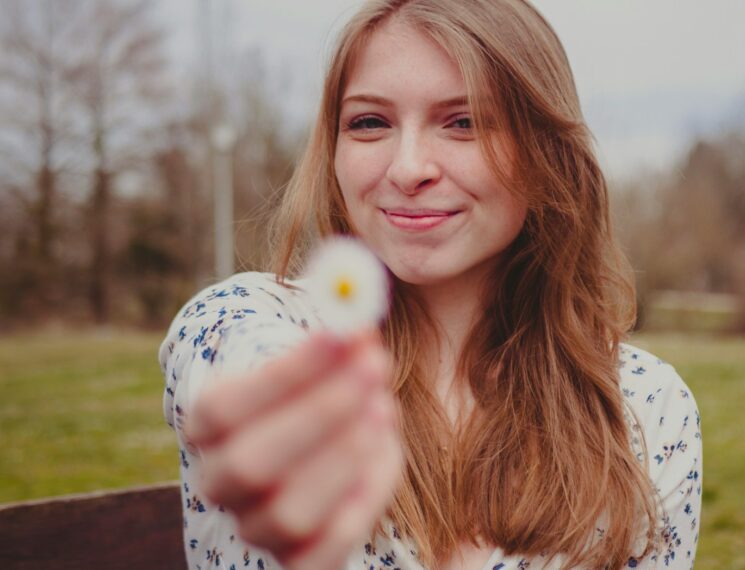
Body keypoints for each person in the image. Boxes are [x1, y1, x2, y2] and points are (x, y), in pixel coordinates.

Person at [158, 1, 703, 568]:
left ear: (546, 152)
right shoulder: (251, 319)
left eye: (463, 122)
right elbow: (235, 355)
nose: (408, 167)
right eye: (370, 123)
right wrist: (280, 419)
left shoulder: (645, 409)